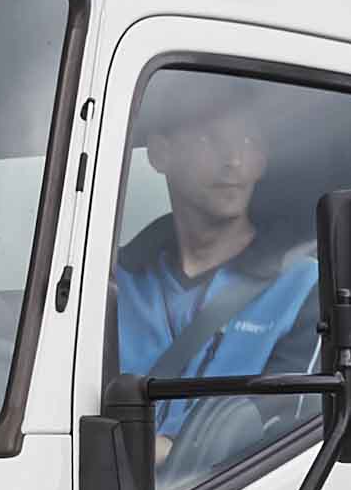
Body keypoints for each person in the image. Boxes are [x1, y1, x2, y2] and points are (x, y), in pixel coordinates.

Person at [113, 75, 322, 470]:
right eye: (211, 141)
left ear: (263, 160)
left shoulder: (305, 288)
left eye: (249, 143)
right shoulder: (109, 285)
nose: (235, 161)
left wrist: (164, 454)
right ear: (160, 153)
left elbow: (285, 436)